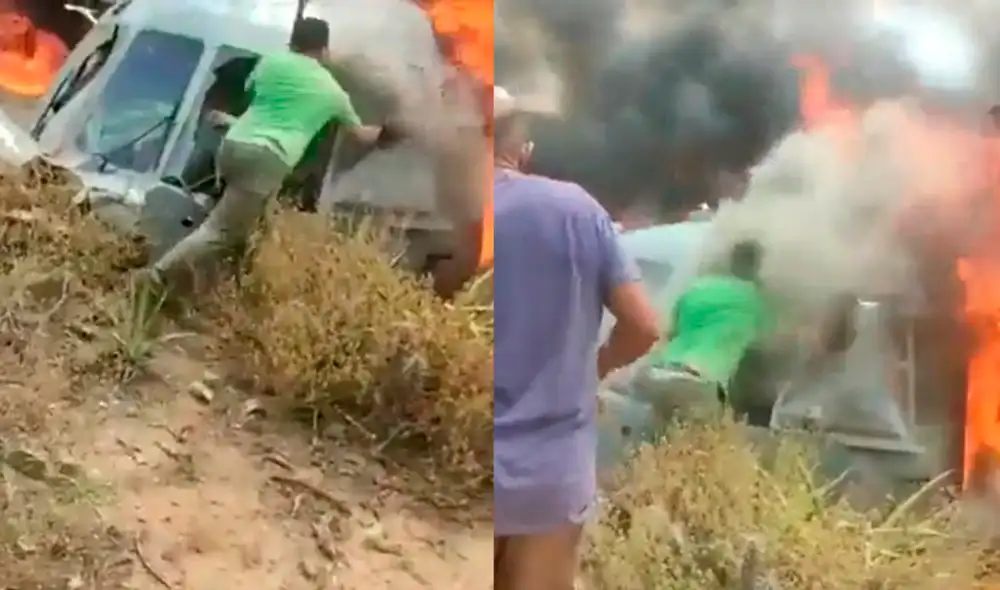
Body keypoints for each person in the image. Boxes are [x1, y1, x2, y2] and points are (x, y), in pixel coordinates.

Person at [493, 94, 660, 590]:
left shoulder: (450, 205)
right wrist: (594, 369)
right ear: (523, 149)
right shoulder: (576, 210)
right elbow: (644, 327)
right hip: (550, 474)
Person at [147, 17, 380, 285]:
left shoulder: (269, 62)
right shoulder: (332, 91)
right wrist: (390, 131)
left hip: (232, 147)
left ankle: (234, 280)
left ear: (292, 42)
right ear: (324, 49)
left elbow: (259, 102)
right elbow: (362, 135)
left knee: (255, 222)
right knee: (220, 231)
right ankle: (156, 276)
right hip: (267, 160)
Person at [632, 240, 770, 423]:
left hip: (656, 372)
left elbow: (667, 334)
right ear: (757, 267)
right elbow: (767, 345)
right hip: (699, 381)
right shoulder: (758, 301)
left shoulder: (697, 287)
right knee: (706, 437)